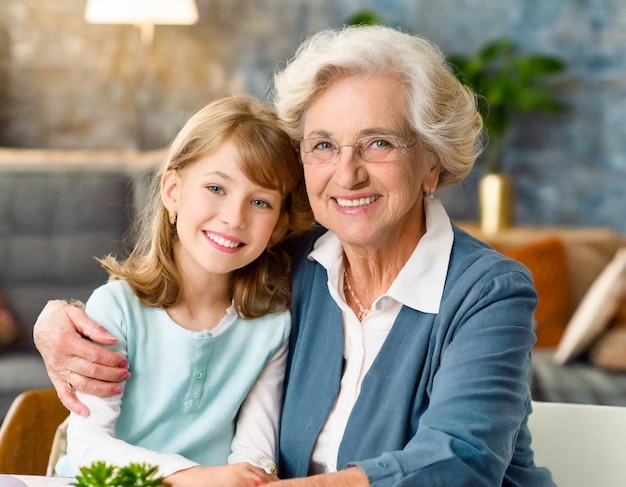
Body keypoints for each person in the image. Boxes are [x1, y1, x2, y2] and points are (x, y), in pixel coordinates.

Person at [34, 26, 555, 486]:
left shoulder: (488, 291)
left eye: (377, 144)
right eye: (323, 145)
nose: (347, 174)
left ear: (433, 165)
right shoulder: (292, 260)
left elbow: (460, 461)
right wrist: (53, 320)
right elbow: (182, 281)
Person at [50, 95, 312, 487]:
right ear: (173, 191)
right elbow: (89, 451)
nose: (234, 217)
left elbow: (256, 447)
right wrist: (195, 476)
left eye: (260, 201)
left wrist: (253, 478)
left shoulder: (271, 324)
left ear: (276, 226)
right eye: (216, 188)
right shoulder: (116, 309)